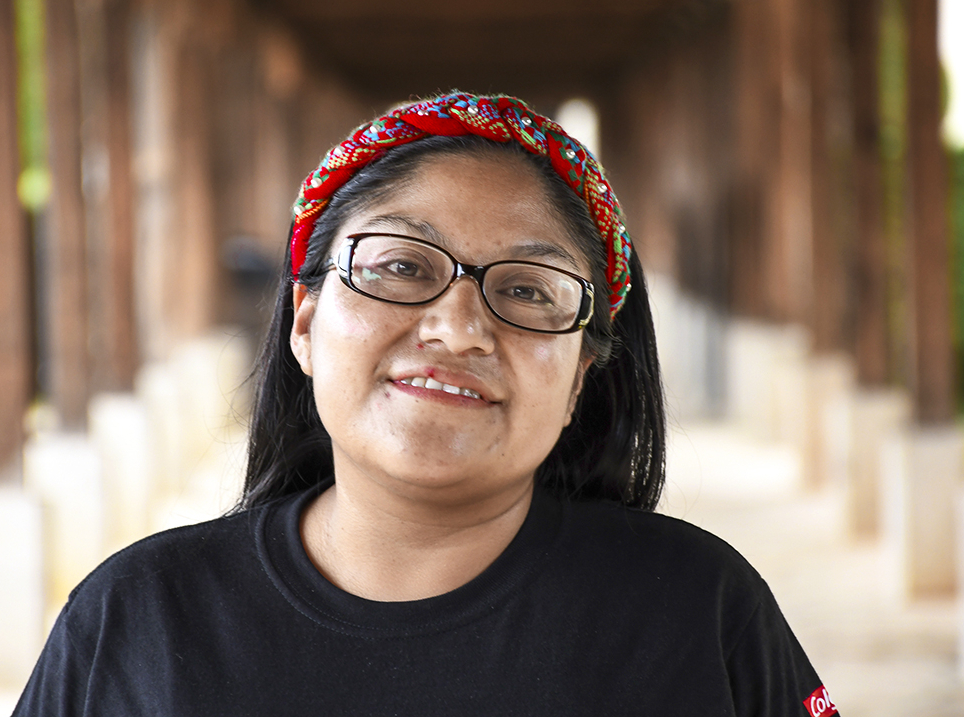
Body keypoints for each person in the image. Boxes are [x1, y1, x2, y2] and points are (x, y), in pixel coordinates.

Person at [14, 92, 838, 716]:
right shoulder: (139, 616)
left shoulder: (697, 605)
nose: (457, 328)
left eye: (526, 289)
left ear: (580, 377)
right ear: (305, 321)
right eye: (402, 267)